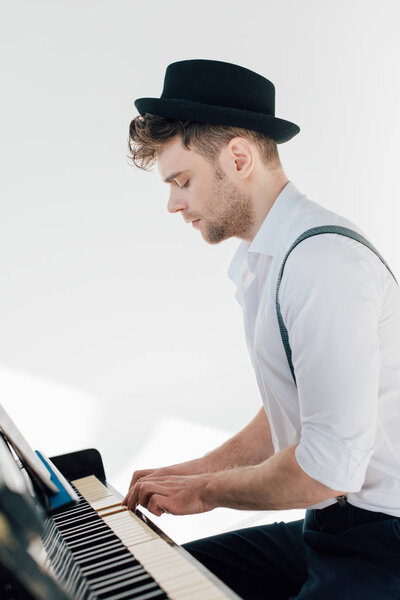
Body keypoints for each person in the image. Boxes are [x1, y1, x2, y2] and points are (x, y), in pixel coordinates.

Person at [122, 59, 400, 599]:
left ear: (239, 158)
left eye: (182, 180)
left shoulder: (322, 263)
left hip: (385, 541)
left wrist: (206, 492)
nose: (173, 203)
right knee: (151, 585)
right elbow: (291, 414)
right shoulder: (266, 259)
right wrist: (192, 471)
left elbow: (326, 470)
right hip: (332, 528)